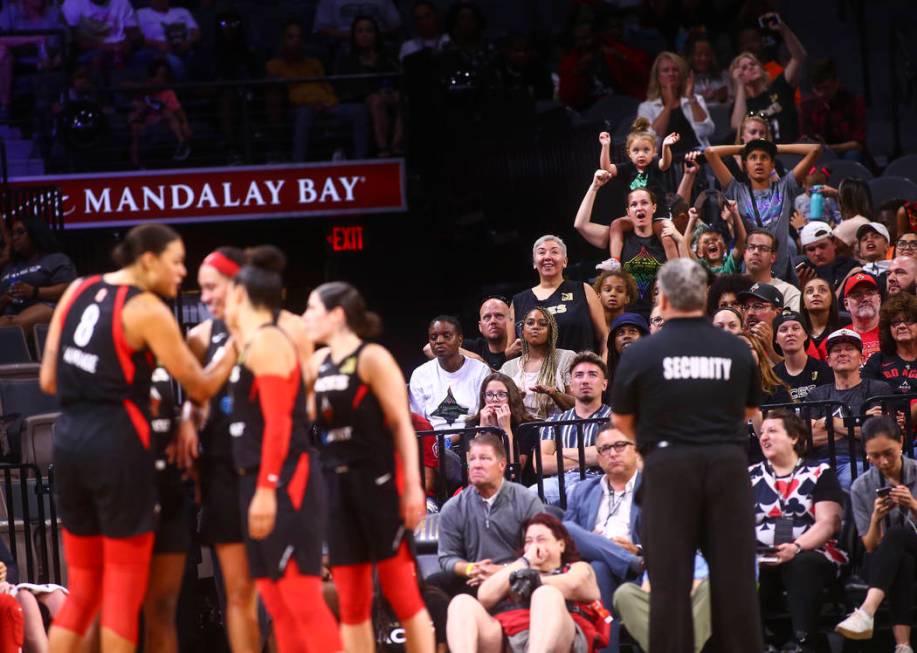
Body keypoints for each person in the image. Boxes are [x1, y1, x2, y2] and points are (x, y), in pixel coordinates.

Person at [38, 224, 236, 653]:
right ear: (148, 259)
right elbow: (200, 387)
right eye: (177, 260)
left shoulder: (75, 290)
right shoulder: (146, 309)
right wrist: (235, 347)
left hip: (69, 442)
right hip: (118, 446)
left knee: (85, 589)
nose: (182, 271)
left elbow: (49, 378)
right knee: (124, 596)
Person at [611, 258, 764, 652]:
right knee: (736, 585)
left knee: (669, 584)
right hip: (727, 466)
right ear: (705, 298)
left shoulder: (641, 353)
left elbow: (622, 420)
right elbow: (749, 412)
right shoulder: (736, 349)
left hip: (668, 466)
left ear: (660, 297)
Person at [223, 247, 343, 653]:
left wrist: (265, 487)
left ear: (241, 295)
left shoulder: (270, 342)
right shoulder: (247, 342)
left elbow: (279, 422)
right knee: (277, 603)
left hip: (283, 479)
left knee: (301, 601)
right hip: (258, 479)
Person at [304, 281, 433, 652]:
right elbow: (295, 416)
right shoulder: (316, 362)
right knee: (351, 602)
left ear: (337, 315)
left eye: (312, 309)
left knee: (401, 593)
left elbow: (401, 427)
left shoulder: (372, 357)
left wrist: (412, 487)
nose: (305, 317)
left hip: (377, 485)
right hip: (336, 487)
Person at [174, 248, 282, 653]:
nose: (203, 298)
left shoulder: (281, 328)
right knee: (235, 593)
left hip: (271, 472)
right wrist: (187, 417)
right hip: (223, 475)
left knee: (281, 590)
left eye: (210, 288)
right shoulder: (200, 337)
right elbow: (195, 396)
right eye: (200, 289)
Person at [751, 409, 846, 652]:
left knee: (801, 564)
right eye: (762, 433)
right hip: (761, 556)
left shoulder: (818, 473)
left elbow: (827, 522)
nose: (764, 437)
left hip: (812, 551)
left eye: (772, 431)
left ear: (794, 437)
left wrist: (795, 547)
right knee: (739, 570)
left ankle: (804, 642)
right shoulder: (748, 476)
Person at [446, 513, 606, 653]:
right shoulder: (515, 568)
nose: (533, 546)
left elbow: (577, 584)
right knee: (461, 602)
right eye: (528, 541)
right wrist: (524, 561)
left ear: (561, 545)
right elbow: (485, 596)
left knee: (546, 594)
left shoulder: (577, 568)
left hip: (561, 637)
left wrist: (536, 581)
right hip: (506, 637)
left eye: (541, 539)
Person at [834, 417, 917, 651]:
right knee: (903, 561)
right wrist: (875, 519)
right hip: (882, 559)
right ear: (867, 454)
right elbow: (870, 547)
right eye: (875, 456)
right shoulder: (861, 486)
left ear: (901, 442)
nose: (883, 461)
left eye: (888, 453)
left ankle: (866, 612)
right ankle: (903, 645)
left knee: (899, 535)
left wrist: (912, 504)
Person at [432, 433, 544, 597]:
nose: (476, 465)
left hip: (519, 576)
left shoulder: (526, 500)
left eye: (484, 458)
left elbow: (539, 549)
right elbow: (447, 557)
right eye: (473, 459)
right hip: (474, 577)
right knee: (430, 586)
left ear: (502, 465)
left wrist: (504, 571)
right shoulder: (453, 507)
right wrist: (472, 569)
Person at [563, 423, 643, 653]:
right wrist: (594, 542)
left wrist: (637, 550)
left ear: (635, 450)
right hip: (593, 567)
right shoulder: (582, 491)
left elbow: (671, 538)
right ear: (598, 458)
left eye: (619, 445)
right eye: (605, 449)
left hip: (642, 569)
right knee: (567, 528)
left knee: (599, 567)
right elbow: (565, 541)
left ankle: (627, 560)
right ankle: (625, 562)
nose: (612, 453)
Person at [705, 138, 821, 281]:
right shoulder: (736, 190)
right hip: (749, 275)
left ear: (772, 164)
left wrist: (774, 148)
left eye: (764, 157)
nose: (759, 162)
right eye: (753, 157)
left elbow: (815, 149)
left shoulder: (785, 187)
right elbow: (710, 152)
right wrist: (746, 147)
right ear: (745, 164)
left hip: (782, 275)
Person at [265, 20, 368, 162]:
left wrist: (328, 102)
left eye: (299, 37)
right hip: (299, 108)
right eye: (291, 37)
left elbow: (326, 87)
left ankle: (361, 162)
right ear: (283, 40)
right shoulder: (274, 65)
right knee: (305, 113)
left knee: (359, 110)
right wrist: (311, 103)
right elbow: (283, 94)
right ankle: (299, 165)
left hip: (326, 105)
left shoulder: (314, 63)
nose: (296, 41)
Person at [804, 328, 893, 490]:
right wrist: (862, 422)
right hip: (819, 463)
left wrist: (829, 422)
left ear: (862, 358)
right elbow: (806, 440)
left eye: (850, 349)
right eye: (836, 350)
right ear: (828, 360)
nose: (842, 353)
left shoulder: (877, 389)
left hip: (861, 461)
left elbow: (878, 433)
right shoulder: (816, 394)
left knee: (848, 482)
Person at [574, 180, 679, 316]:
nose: (639, 208)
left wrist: (680, 240)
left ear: (654, 208)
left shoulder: (665, 236)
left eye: (644, 203)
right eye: (634, 204)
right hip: (629, 317)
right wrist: (594, 186)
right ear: (628, 212)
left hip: (661, 314)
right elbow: (580, 225)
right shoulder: (619, 237)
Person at [536, 352, 612, 506]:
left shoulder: (615, 419)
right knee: (530, 496)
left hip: (599, 481)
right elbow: (541, 464)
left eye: (592, 375)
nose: (585, 380)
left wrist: (559, 453)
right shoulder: (555, 422)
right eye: (579, 375)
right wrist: (592, 455)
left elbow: (609, 456)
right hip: (558, 482)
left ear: (604, 384)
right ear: (571, 384)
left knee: (575, 494)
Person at [509, 235, 607, 354]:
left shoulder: (583, 290)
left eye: (554, 252)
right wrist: (513, 352)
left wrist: (603, 367)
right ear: (534, 262)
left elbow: (604, 337)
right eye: (541, 252)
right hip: (536, 372)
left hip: (579, 370)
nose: (547, 257)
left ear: (565, 261)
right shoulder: (519, 301)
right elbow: (508, 351)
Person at [729, 14, 807, 142]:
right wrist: (740, 86)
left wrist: (783, 29)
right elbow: (737, 127)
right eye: (743, 68)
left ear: (761, 67)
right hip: (762, 156)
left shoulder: (779, 87)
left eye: (753, 64)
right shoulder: (740, 106)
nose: (750, 68)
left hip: (790, 151)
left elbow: (799, 57)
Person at [613, 553, 712, 653]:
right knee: (624, 593)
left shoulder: (699, 559)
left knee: (708, 589)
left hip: (691, 608)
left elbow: (698, 587)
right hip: (661, 608)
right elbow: (646, 591)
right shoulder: (657, 558)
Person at [334, 16, 402, 157]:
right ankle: (383, 148)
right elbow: (346, 89)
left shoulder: (387, 57)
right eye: (360, 31)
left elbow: (397, 80)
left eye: (369, 31)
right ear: (354, 35)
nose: (365, 35)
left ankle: (397, 145)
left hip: (387, 96)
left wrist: (392, 92)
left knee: (402, 98)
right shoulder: (347, 60)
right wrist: (374, 93)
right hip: (361, 100)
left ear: (376, 34)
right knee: (376, 101)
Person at [409, 315, 491, 430]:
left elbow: (485, 415)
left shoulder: (480, 370)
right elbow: (418, 421)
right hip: (433, 442)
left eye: (446, 336)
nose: (439, 341)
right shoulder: (420, 374)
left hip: (473, 438)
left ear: (460, 340)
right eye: (433, 337)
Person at [0, 217, 76, 332]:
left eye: (20, 232)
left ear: (35, 233)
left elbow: (69, 289)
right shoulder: (9, 267)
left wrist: (34, 291)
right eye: (13, 234)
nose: (15, 238)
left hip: (47, 307)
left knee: (13, 325)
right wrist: (5, 299)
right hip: (10, 313)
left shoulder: (55, 259)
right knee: (8, 323)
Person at [499, 306, 575, 420]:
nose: (535, 327)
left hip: (557, 429)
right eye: (530, 323)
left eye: (543, 324)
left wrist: (554, 394)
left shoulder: (566, 358)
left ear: (551, 331)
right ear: (523, 331)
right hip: (521, 430)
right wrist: (515, 400)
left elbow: (580, 406)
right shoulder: (508, 367)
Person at [637, 51, 714, 152]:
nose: (671, 73)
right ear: (658, 77)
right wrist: (669, 105)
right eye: (665, 70)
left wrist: (691, 99)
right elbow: (648, 142)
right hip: (664, 162)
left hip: (697, 156)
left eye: (675, 70)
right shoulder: (646, 107)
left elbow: (707, 131)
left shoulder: (695, 100)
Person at [800, 58, 869, 162]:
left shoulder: (853, 102)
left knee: (852, 155)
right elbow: (803, 141)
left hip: (848, 155)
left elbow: (858, 145)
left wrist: (828, 149)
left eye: (826, 88)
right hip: (818, 157)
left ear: (836, 83)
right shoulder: (807, 106)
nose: (821, 94)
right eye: (817, 89)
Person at [464, 372, 535, 472]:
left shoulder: (525, 425)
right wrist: (482, 429)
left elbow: (514, 472)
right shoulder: (472, 424)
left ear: (511, 398)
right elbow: (470, 469)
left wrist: (506, 430)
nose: (495, 399)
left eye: (501, 394)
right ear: (484, 398)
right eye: (489, 394)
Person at [128, 58, 191, 165]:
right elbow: (135, 114)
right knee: (135, 128)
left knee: (167, 113)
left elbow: (177, 111)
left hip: (164, 125)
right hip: (145, 124)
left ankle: (181, 143)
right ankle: (136, 165)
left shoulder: (168, 93)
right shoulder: (143, 92)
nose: (159, 79)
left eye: (162, 76)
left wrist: (185, 124)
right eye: (157, 75)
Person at [862, 293, 917, 395]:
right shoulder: (877, 360)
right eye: (895, 322)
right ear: (888, 328)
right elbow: (863, 394)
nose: (902, 326)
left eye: (908, 320)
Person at [772, 312, 834, 402]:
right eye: (783, 329)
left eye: (795, 328)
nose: (790, 333)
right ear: (776, 339)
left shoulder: (825, 370)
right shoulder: (773, 377)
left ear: (806, 335)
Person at [135, 0, 199, 79]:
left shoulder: (183, 11)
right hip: (154, 48)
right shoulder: (140, 13)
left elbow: (196, 32)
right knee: (174, 63)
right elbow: (136, 36)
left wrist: (188, 42)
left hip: (183, 48)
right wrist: (157, 44)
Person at [743, 229, 801, 311]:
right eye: (751, 247)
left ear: (773, 257)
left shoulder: (788, 292)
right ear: (744, 253)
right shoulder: (731, 287)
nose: (756, 252)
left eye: (763, 248)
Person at [796, 221, 859, 291]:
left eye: (822, 246)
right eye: (811, 249)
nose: (817, 253)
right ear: (805, 253)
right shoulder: (802, 273)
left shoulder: (851, 268)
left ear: (834, 243)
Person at [312, 0, 401, 46]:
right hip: (342, 47)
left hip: (380, 45)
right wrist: (351, 36)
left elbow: (395, 25)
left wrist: (373, 35)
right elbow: (322, 28)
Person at [737, 282, 783, 364]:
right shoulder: (739, 342)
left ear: (778, 313)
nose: (750, 313)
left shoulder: (793, 338)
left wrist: (770, 350)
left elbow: (798, 374)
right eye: (746, 307)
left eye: (758, 306)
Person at [799, 276, 844, 360]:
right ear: (803, 303)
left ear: (832, 299)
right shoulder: (797, 331)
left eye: (822, 290)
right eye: (809, 291)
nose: (816, 294)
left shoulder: (845, 326)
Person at [841, 272, 882, 360]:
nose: (865, 299)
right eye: (857, 295)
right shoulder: (837, 339)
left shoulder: (894, 333)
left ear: (879, 298)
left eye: (870, 293)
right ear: (846, 304)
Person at [606, 312, 648, 387]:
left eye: (632, 332)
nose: (626, 336)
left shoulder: (657, 371)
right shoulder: (604, 377)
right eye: (620, 333)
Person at [685, 34, 729, 105]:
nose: (704, 58)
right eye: (699, 54)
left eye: (707, 54)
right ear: (690, 56)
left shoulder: (724, 77)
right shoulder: (683, 80)